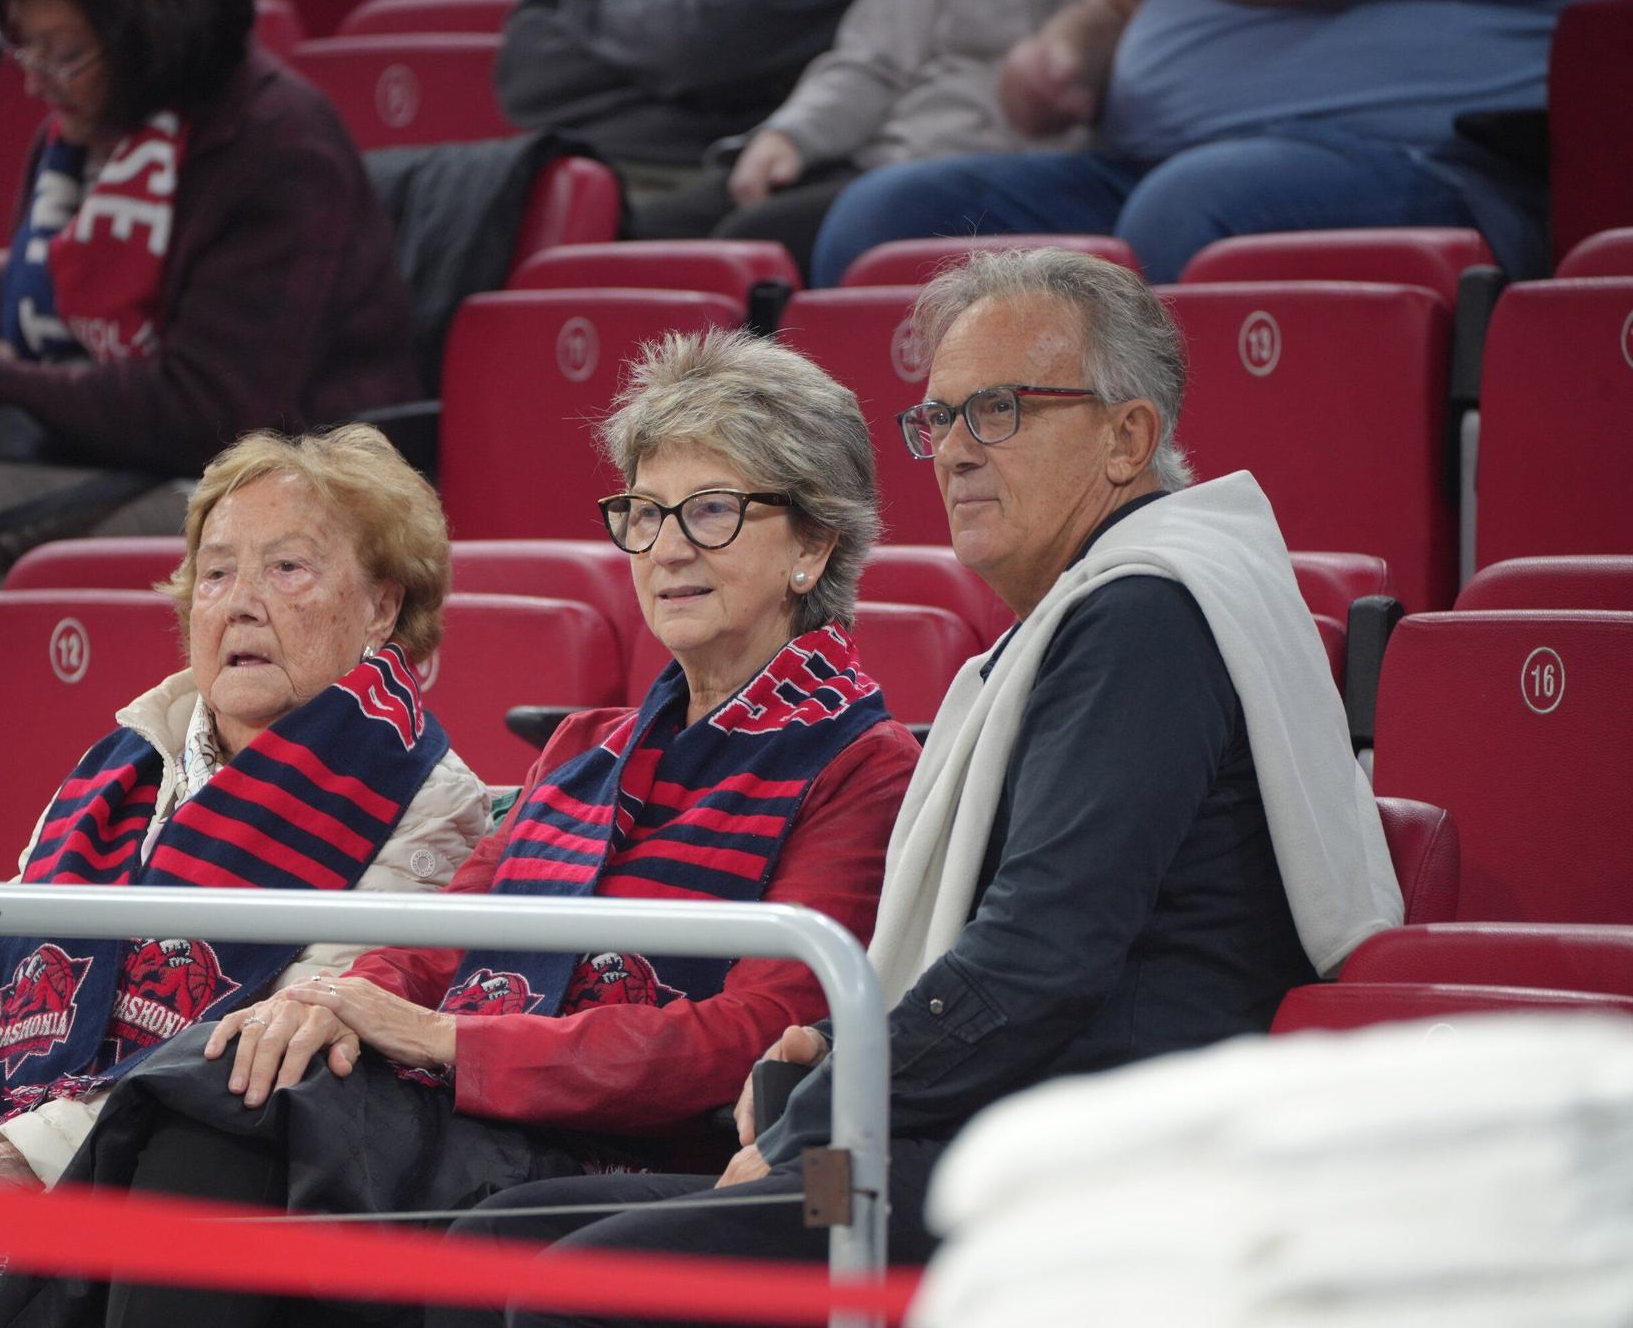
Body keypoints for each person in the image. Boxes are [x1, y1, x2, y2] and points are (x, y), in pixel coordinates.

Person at [434, 248, 1406, 1325]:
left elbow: (1035, 967)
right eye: (937, 420)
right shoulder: (1092, 615)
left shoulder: (1141, 619)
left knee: (582, 1282)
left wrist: (815, 1125)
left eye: (996, 412)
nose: (952, 452)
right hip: (968, 1138)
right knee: (499, 1238)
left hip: (1069, 1172)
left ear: (1127, 437)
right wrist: (839, 1065)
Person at [0, 328, 924, 1327]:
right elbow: (438, 939)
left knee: (216, 1110)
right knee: (219, 1083)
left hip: (626, 1149)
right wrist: (344, 999)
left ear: (812, 544)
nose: (667, 546)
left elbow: (752, 1038)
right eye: (642, 514)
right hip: (475, 1112)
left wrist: (446, 1038)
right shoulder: (582, 746)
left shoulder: (859, 766)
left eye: (713, 511)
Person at [0, 427, 490, 1328]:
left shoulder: (429, 798)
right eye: (217, 573)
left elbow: (273, 1044)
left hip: (184, 1181)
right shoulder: (121, 770)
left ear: (382, 606)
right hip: (0, 1132)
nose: (242, 603)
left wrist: (28, 1162)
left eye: (288, 568)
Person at [0, 0, 420, 585]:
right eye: (22, 49)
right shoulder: (74, 140)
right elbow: (30, 317)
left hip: (282, 479)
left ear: (149, 37)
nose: (33, 82)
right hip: (101, 452)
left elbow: (211, 415)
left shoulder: (276, 145)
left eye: (62, 56)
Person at [810, 0, 1581, 286]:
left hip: (1436, 164)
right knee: (881, 219)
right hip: (1150, 163)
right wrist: (1076, 39)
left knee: (1187, 209)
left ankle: (1149, 540)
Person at [628, 0, 1083, 279]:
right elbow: (869, 63)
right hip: (871, 153)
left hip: (969, 172)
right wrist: (791, 135)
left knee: (751, 241)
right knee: (651, 234)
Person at [494, 0, 854, 199]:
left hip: (701, 170)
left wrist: (587, 7)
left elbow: (698, 51)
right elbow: (527, 78)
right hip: (573, 156)